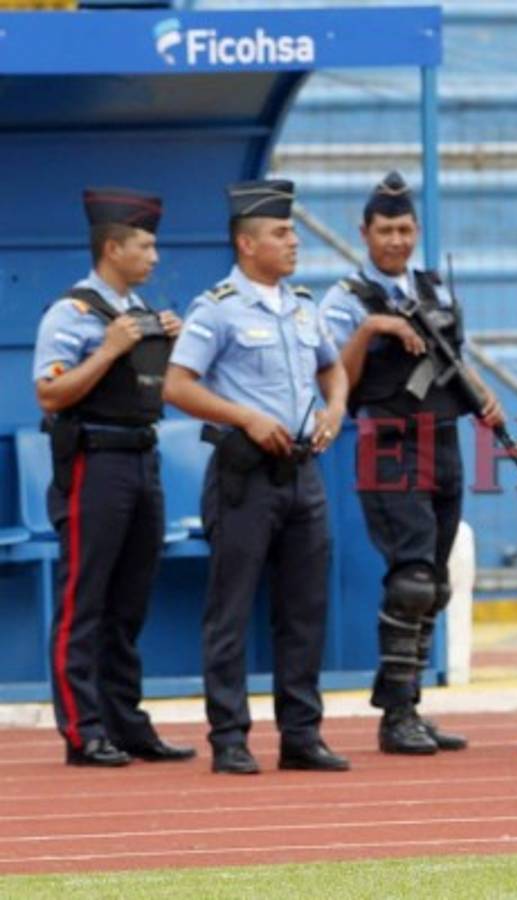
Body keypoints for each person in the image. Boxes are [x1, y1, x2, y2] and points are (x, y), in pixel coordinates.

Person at [163, 179, 350, 775]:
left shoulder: (302, 306)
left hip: (303, 474)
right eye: (280, 233)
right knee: (232, 609)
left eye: (292, 231)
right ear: (247, 244)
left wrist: (335, 410)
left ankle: (301, 734)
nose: (293, 241)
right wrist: (244, 415)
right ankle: (230, 737)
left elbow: (334, 369)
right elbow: (178, 384)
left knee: (305, 609)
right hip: (245, 476)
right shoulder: (217, 307)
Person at [319, 172, 502, 755]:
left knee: (437, 582)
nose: (395, 240)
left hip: (443, 437)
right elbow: (337, 379)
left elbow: (452, 361)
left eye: (404, 229)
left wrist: (482, 395)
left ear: (416, 231)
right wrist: (374, 327)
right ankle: (394, 713)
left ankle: (412, 707)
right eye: (384, 230)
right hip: (388, 441)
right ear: (364, 232)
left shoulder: (435, 288)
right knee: (412, 578)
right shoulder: (346, 299)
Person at [33, 187, 195, 767]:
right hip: (93, 462)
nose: (154, 256)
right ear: (112, 247)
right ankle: (83, 730)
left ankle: (128, 723)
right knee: (85, 599)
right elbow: (49, 391)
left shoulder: (141, 314)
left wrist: (163, 342)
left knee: (130, 601)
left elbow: (155, 389)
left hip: (141, 459)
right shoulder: (72, 313)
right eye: (144, 246)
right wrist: (107, 350)